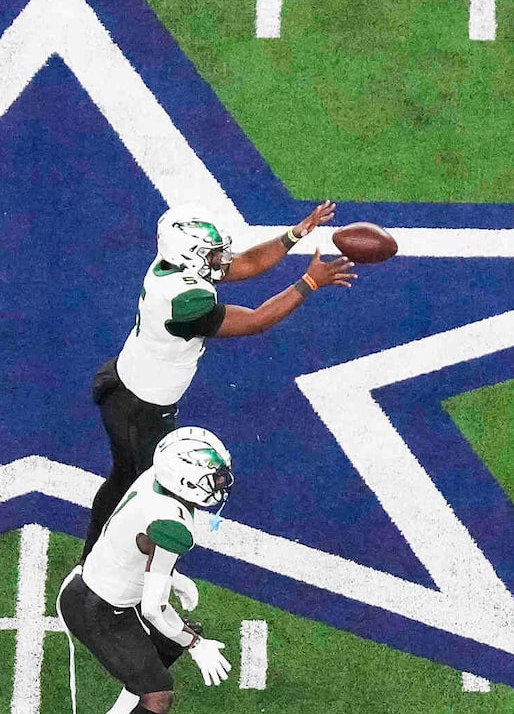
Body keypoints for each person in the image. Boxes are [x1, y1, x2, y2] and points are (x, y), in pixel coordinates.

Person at [85, 203, 352, 551]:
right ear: (192, 256)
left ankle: (94, 552)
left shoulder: (171, 266)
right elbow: (257, 320)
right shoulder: (187, 302)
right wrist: (310, 282)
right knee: (151, 492)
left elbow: (245, 264)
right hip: (142, 409)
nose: (221, 259)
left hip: (125, 385)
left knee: (123, 479)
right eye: (212, 254)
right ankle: (111, 565)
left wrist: (295, 233)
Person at [58, 427, 239, 714]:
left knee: (173, 638)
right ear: (186, 478)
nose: (220, 486)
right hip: (99, 610)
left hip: (90, 586)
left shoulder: (153, 481)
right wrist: (197, 645)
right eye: (213, 478)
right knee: (158, 693)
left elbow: (127, 539)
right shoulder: (171, 524)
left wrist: (171, 576)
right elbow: (154, 609)